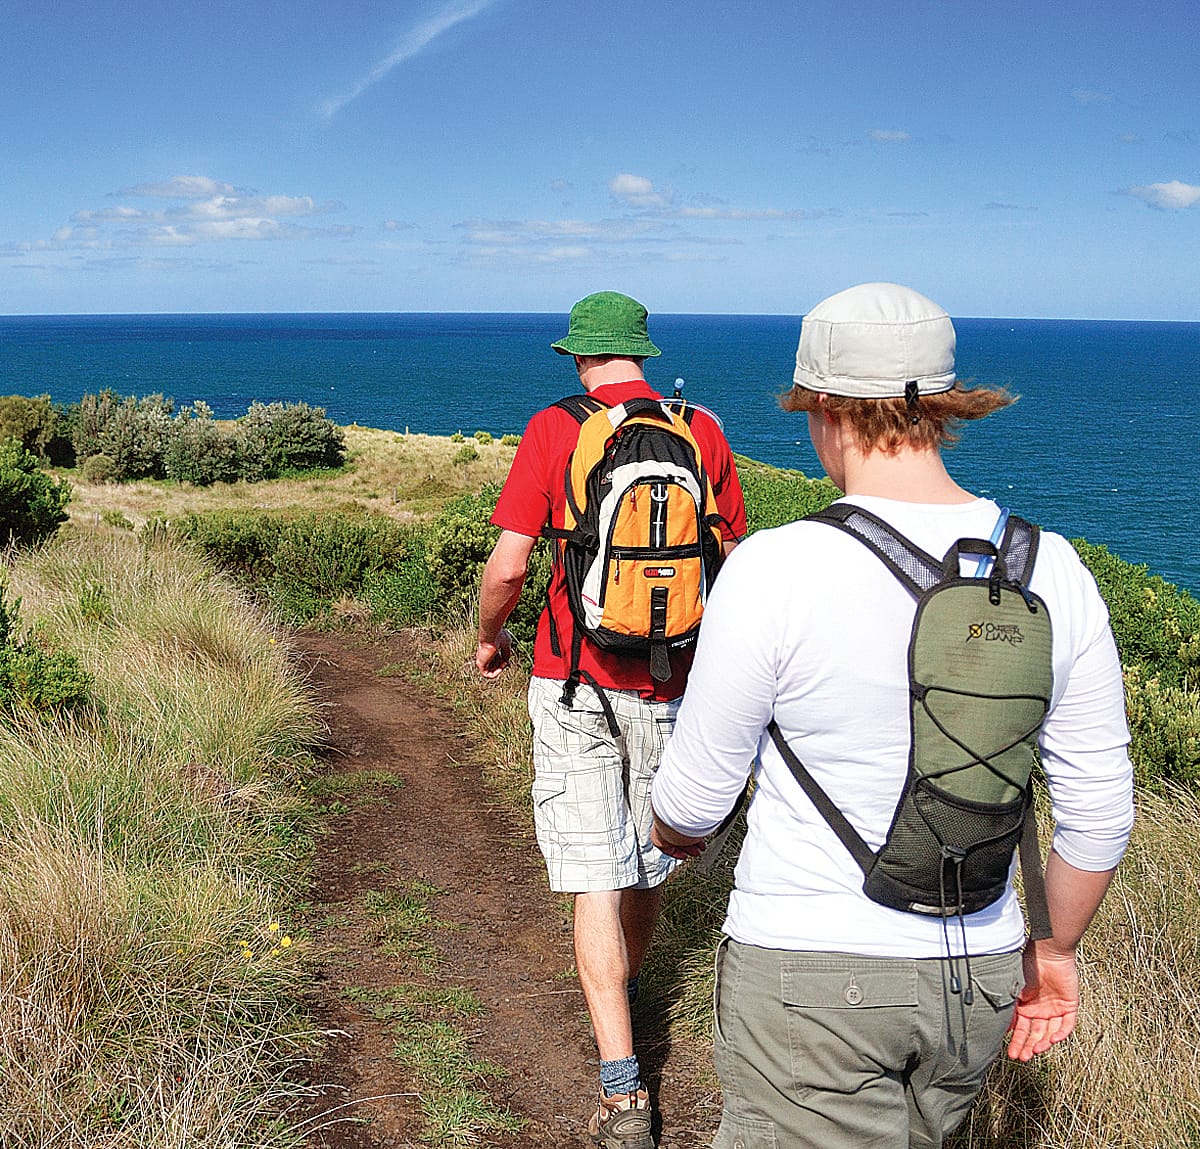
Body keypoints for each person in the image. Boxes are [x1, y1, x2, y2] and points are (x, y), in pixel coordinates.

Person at [649, 283, 1134, 1148]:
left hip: (805, 970)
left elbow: (691, 804)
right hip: (975, 973)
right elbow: (1097, 816)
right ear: (943, 403)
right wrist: (1051, 955)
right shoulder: (1052, 568)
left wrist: (672, 833)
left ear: (826, 406)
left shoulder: (776, 566)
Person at [475, 290, 746, 1149]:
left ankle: (623, 1092)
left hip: (573, 679)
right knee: (639, 866)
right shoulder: (699, 429)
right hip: (675, 683)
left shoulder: (554, 427)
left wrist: (488, 638)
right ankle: (623, 991)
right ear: (641, 351)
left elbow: (510, 566)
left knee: (595, 867)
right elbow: (735, 567)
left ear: (576, 356)